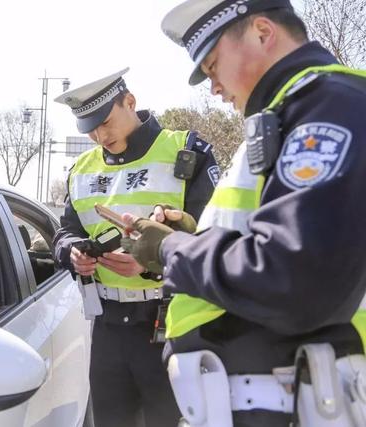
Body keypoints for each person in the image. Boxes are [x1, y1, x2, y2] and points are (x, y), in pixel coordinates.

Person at [122, 1, 366, 425]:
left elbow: (292, 279)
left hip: (292, 402)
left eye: (214, 66)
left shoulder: (328, 107)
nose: (213, 87)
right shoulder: (291, 114)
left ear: (262, 32)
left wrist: (174, 250)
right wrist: (195, 236)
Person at [53, 68, 219, 427]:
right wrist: (73, 255)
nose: (100, 136)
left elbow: (215, 239)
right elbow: (64, 232)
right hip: (107, 325)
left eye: (106, 123)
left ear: (130, 102)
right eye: (90, 130)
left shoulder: (186, 150)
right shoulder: (81, 168)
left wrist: (150, 265)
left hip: (168, 322)